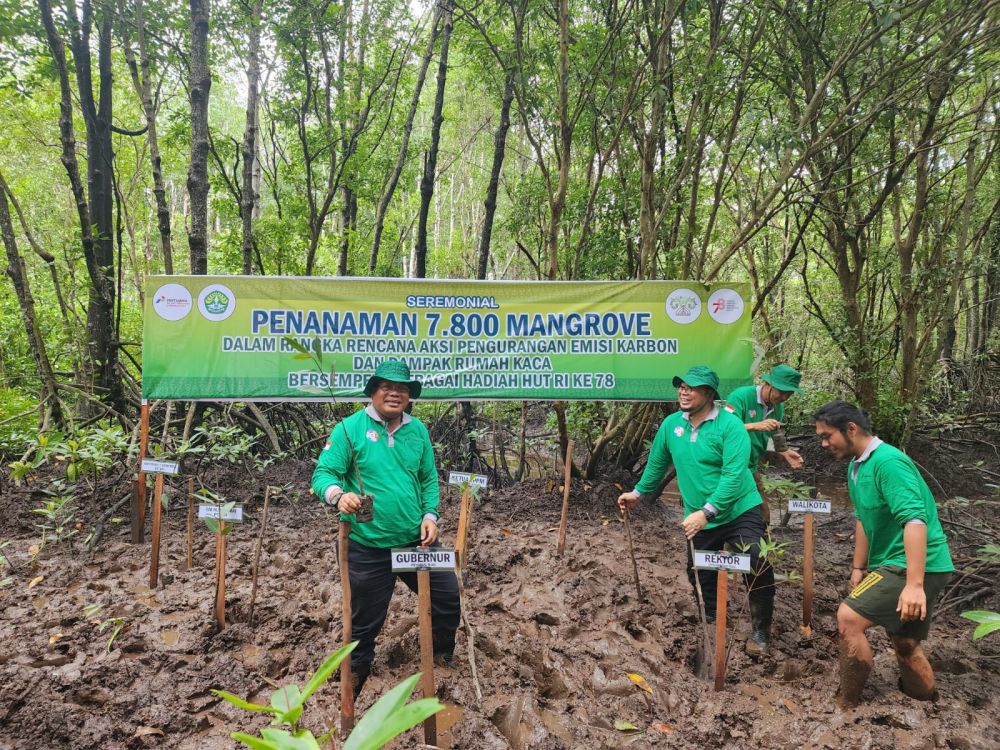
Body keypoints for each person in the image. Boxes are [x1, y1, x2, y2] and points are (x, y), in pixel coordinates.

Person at [312, 359, 459, 696]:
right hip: (367, 547)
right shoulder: (349, 429)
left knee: (448, 597)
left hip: (415, 543)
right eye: (387, 388)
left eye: (402, 389)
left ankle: (442, 657)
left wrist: (430, 516)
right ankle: (357, 679)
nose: (395, 394)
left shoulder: (418, 430)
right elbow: (323, 475)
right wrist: (339, 496)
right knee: (365, 622)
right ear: (374, 392)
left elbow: (427, 478)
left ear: (409, 396)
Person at [618, 365, 775, 654]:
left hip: (739, 509)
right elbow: (656, 464)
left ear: (710, 393)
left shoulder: (731, 427)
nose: (683, 391)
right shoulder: (670, 425)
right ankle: (714, 618)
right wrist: (638, 493)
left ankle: (760, 631)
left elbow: (733, 475)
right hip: (699, 515)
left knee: (756, 560)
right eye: (681, 385)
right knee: (699, 570)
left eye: (692, 387)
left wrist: (707, 512)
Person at [814, 400, 954, 708]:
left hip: (915, 564)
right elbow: (865, 518)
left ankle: (846, 706)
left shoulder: (888, 462)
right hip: (897, 563)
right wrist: (858, 567)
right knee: (904, 642)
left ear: (850, 428)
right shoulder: (856, 466)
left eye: (827, 436)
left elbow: (915, 520)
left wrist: (915, 585)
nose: (823, 444)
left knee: (848, 618)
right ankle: (927, 703)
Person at [725, 364, 804, 523]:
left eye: (789, 394)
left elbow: (770, 439)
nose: (784, 398)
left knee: (762, 516)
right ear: (768, 384)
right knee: (729, 513)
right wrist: (754, 425)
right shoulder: (740, 396)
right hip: (728, 465)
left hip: (750, 465)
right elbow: (722, 429)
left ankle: (761, 543)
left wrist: (785, 452)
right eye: (781, 392)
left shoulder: (778, 407)